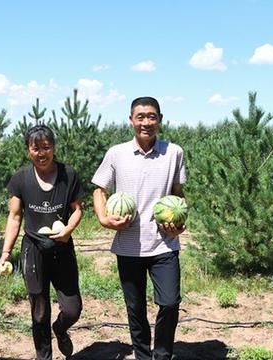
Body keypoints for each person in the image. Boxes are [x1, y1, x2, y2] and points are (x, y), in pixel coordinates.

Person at [92, 96, 186, 360]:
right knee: (135, 309)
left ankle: (162, 354)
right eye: (140, 117)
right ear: (131, 120)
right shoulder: (116, 153)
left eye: (152, 116)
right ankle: (143, 356)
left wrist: (179, 222)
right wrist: (103, 218)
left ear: (160, 119)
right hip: (129, 245)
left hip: (164, 243)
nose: (146, 122)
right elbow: (100, 189)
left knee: (169, 302)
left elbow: (179, 194)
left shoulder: (174, 152)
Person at [0, 125, 83, 360]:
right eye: (36, 148)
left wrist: (68, 230)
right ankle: (43, 356)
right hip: (33, 251)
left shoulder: (69, 174)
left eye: (46, 147)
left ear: (53, 148)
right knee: (39, 311)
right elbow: (15, 217)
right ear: (28, 150)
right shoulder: (21, 178)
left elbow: (77, 210)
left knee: (72, 309)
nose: (41, 153)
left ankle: (61, 328)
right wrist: (6, 252)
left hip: (63, 248)